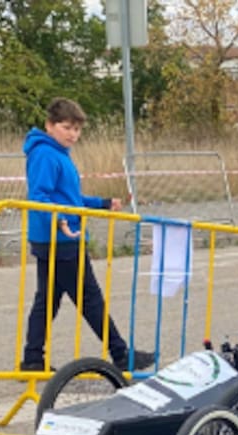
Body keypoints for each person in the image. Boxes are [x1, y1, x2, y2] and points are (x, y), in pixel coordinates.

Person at [20, 97, 155, 373]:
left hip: (57, 238)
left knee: (47, 301)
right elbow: (39, 197)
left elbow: (69, 197)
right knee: (90, 298)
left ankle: (32, 359)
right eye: (66, 127)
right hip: (60, 239)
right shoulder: (46, 154)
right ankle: (121, 355)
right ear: (50, 125)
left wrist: (102, 203)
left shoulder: (58, 154)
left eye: (77, 129)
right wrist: (60, 222)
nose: (73, 134)